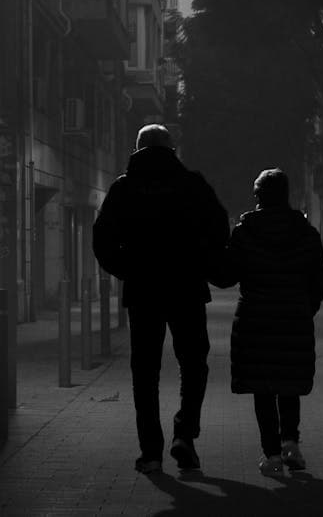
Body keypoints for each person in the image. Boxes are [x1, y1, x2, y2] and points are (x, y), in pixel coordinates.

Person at [92, 124, 229, 475]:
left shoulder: (124, 188)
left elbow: (103, 241)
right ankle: (184, 434)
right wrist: (200, 260)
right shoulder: (192, 185)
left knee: (145, 371)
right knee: (194, 364)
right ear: (171, 148)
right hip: (186, 288)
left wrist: (128, 268)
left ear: (137, 148)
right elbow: (218, 229)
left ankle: (150, 452)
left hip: (144, 292)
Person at [216, 168, 323, 475]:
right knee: (289, 382)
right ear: (286, 195)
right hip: (294, 318)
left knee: (262, 388)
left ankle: (272, 455)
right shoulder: (306, 233)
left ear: (258, 198)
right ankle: (291, 442)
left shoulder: (244, 233)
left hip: (255, 320)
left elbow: (225, 277)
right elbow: (320, 278)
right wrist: (306, 307)